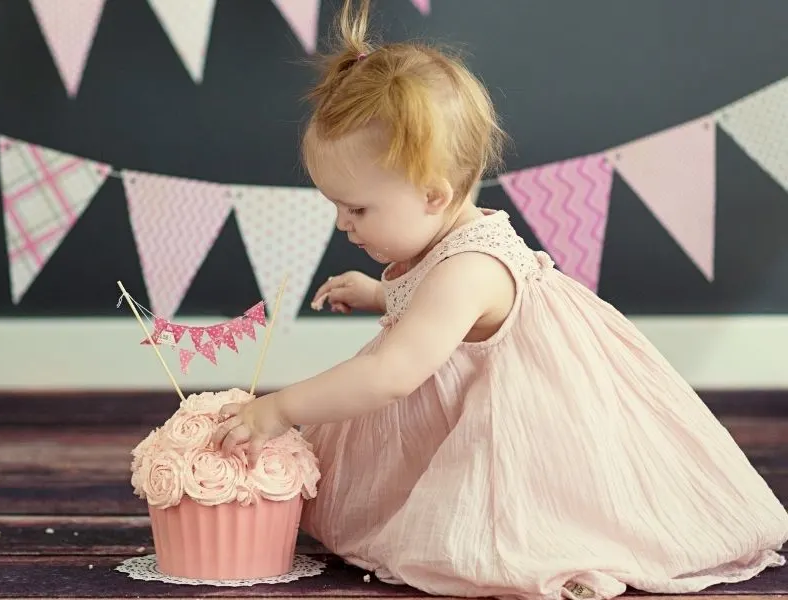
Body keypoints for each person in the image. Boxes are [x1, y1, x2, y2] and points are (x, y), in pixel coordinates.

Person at [212, 0, 788, 597]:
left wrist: (280, 409)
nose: (342, 225)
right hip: (473, 393)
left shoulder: (470, 268)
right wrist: (384, 296)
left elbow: (391, 373)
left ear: (434, 195)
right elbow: (436, 311)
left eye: (357, 208)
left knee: (512, 529)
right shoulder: (445, 244)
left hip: (532, 424)